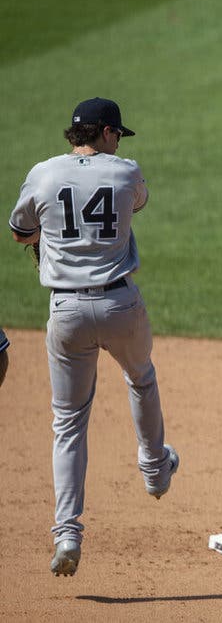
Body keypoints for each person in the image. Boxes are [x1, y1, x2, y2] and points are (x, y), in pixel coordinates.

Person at [9, 97, 179, 576]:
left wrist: (48, 238)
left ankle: (67, 532)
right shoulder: (126, 173)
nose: (119, 140)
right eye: (117, 133)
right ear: (105, 133)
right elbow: (137, 204)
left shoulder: (42, 173)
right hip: (120, 303)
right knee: (141, 377)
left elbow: (20, 231)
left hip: (65, 311)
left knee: (67, 422)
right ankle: (154, 469)